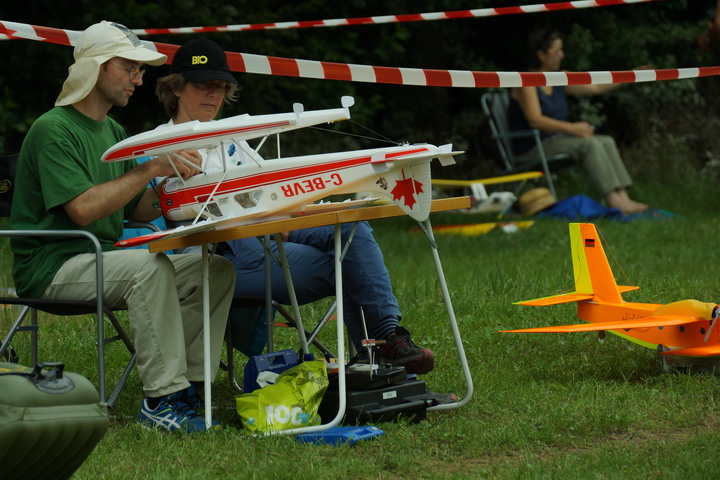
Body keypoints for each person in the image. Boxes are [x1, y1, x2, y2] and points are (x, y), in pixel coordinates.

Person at [149, 38, 435, 375]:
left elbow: (273, 194)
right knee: (352, 266)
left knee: (354, 227)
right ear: (177, 88)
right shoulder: (159, 145)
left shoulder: (232, 138)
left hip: (264, 234)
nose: (214, 94)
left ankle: (384, 341)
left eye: (221, 86)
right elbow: (175, 213)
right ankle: (379, 352)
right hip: (217, 256)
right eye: (203, 85)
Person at [10, 21, 236, 433]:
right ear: (95, 68)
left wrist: (176, 182)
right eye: (129, 68)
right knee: (149, 268)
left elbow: (139, 210)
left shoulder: (113, 130)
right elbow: (82, 211)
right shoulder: (53, 128)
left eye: (140, 70)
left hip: (100, 258)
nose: (138, 79)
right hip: (50, 268)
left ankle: (193, 392)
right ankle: (161, 402)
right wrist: (151, 166)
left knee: (215, 268)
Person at [507, 29, 649, 215]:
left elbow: (596, 87)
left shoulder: (560, 78)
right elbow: (535, 120)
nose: (562, 55)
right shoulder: (526, 80)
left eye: (562, 50)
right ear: (541, 54)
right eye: (557, 51)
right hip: (534, 146)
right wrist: (572, 128)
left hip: (557, 141)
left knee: (605, 140)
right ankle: (614, 201)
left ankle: (624, 198)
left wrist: (629, 76)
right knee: (590, 145)